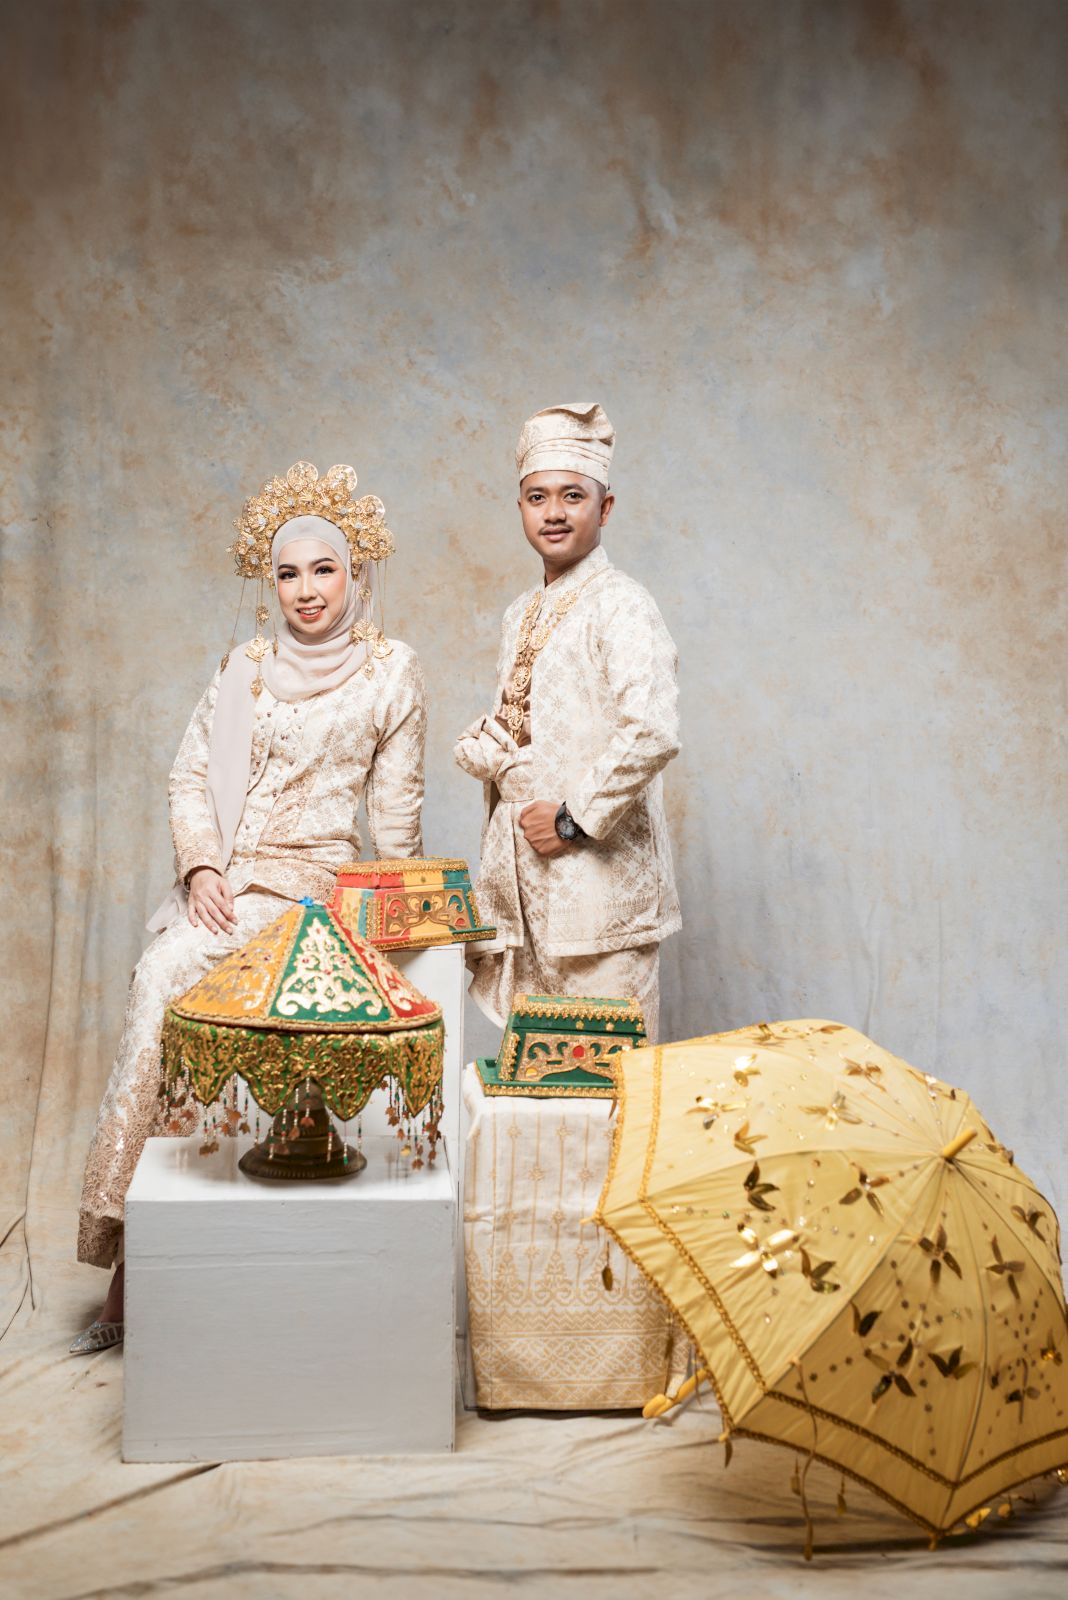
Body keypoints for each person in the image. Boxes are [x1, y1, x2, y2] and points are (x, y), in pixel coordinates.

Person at [72, 462, 426, 1353]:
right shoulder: (245, 668)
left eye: (324, 570)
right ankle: (132, 1246)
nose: (306, 591)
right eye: (287, 573)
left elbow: (396, 817)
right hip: (228, 883)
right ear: (269, 584)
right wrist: (200, 869)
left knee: (205, 988)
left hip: (316, 895)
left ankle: (177, 1259)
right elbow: (191, 776)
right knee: (161, 978)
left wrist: (408, 914)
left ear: (355, 574)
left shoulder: (391, 672)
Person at [455, 403, 680, 1043]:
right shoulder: (521, 612)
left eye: (572, 496)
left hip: (600, 894)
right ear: (521, 508)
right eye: (537, 497)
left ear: (604, 508)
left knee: (609, 1080)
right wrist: (492, 741)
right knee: (541, 1084)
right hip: (529, 895)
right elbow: (533, 718)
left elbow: (652, 728)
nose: (553, 512)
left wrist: (571, 819)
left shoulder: (622, 604)